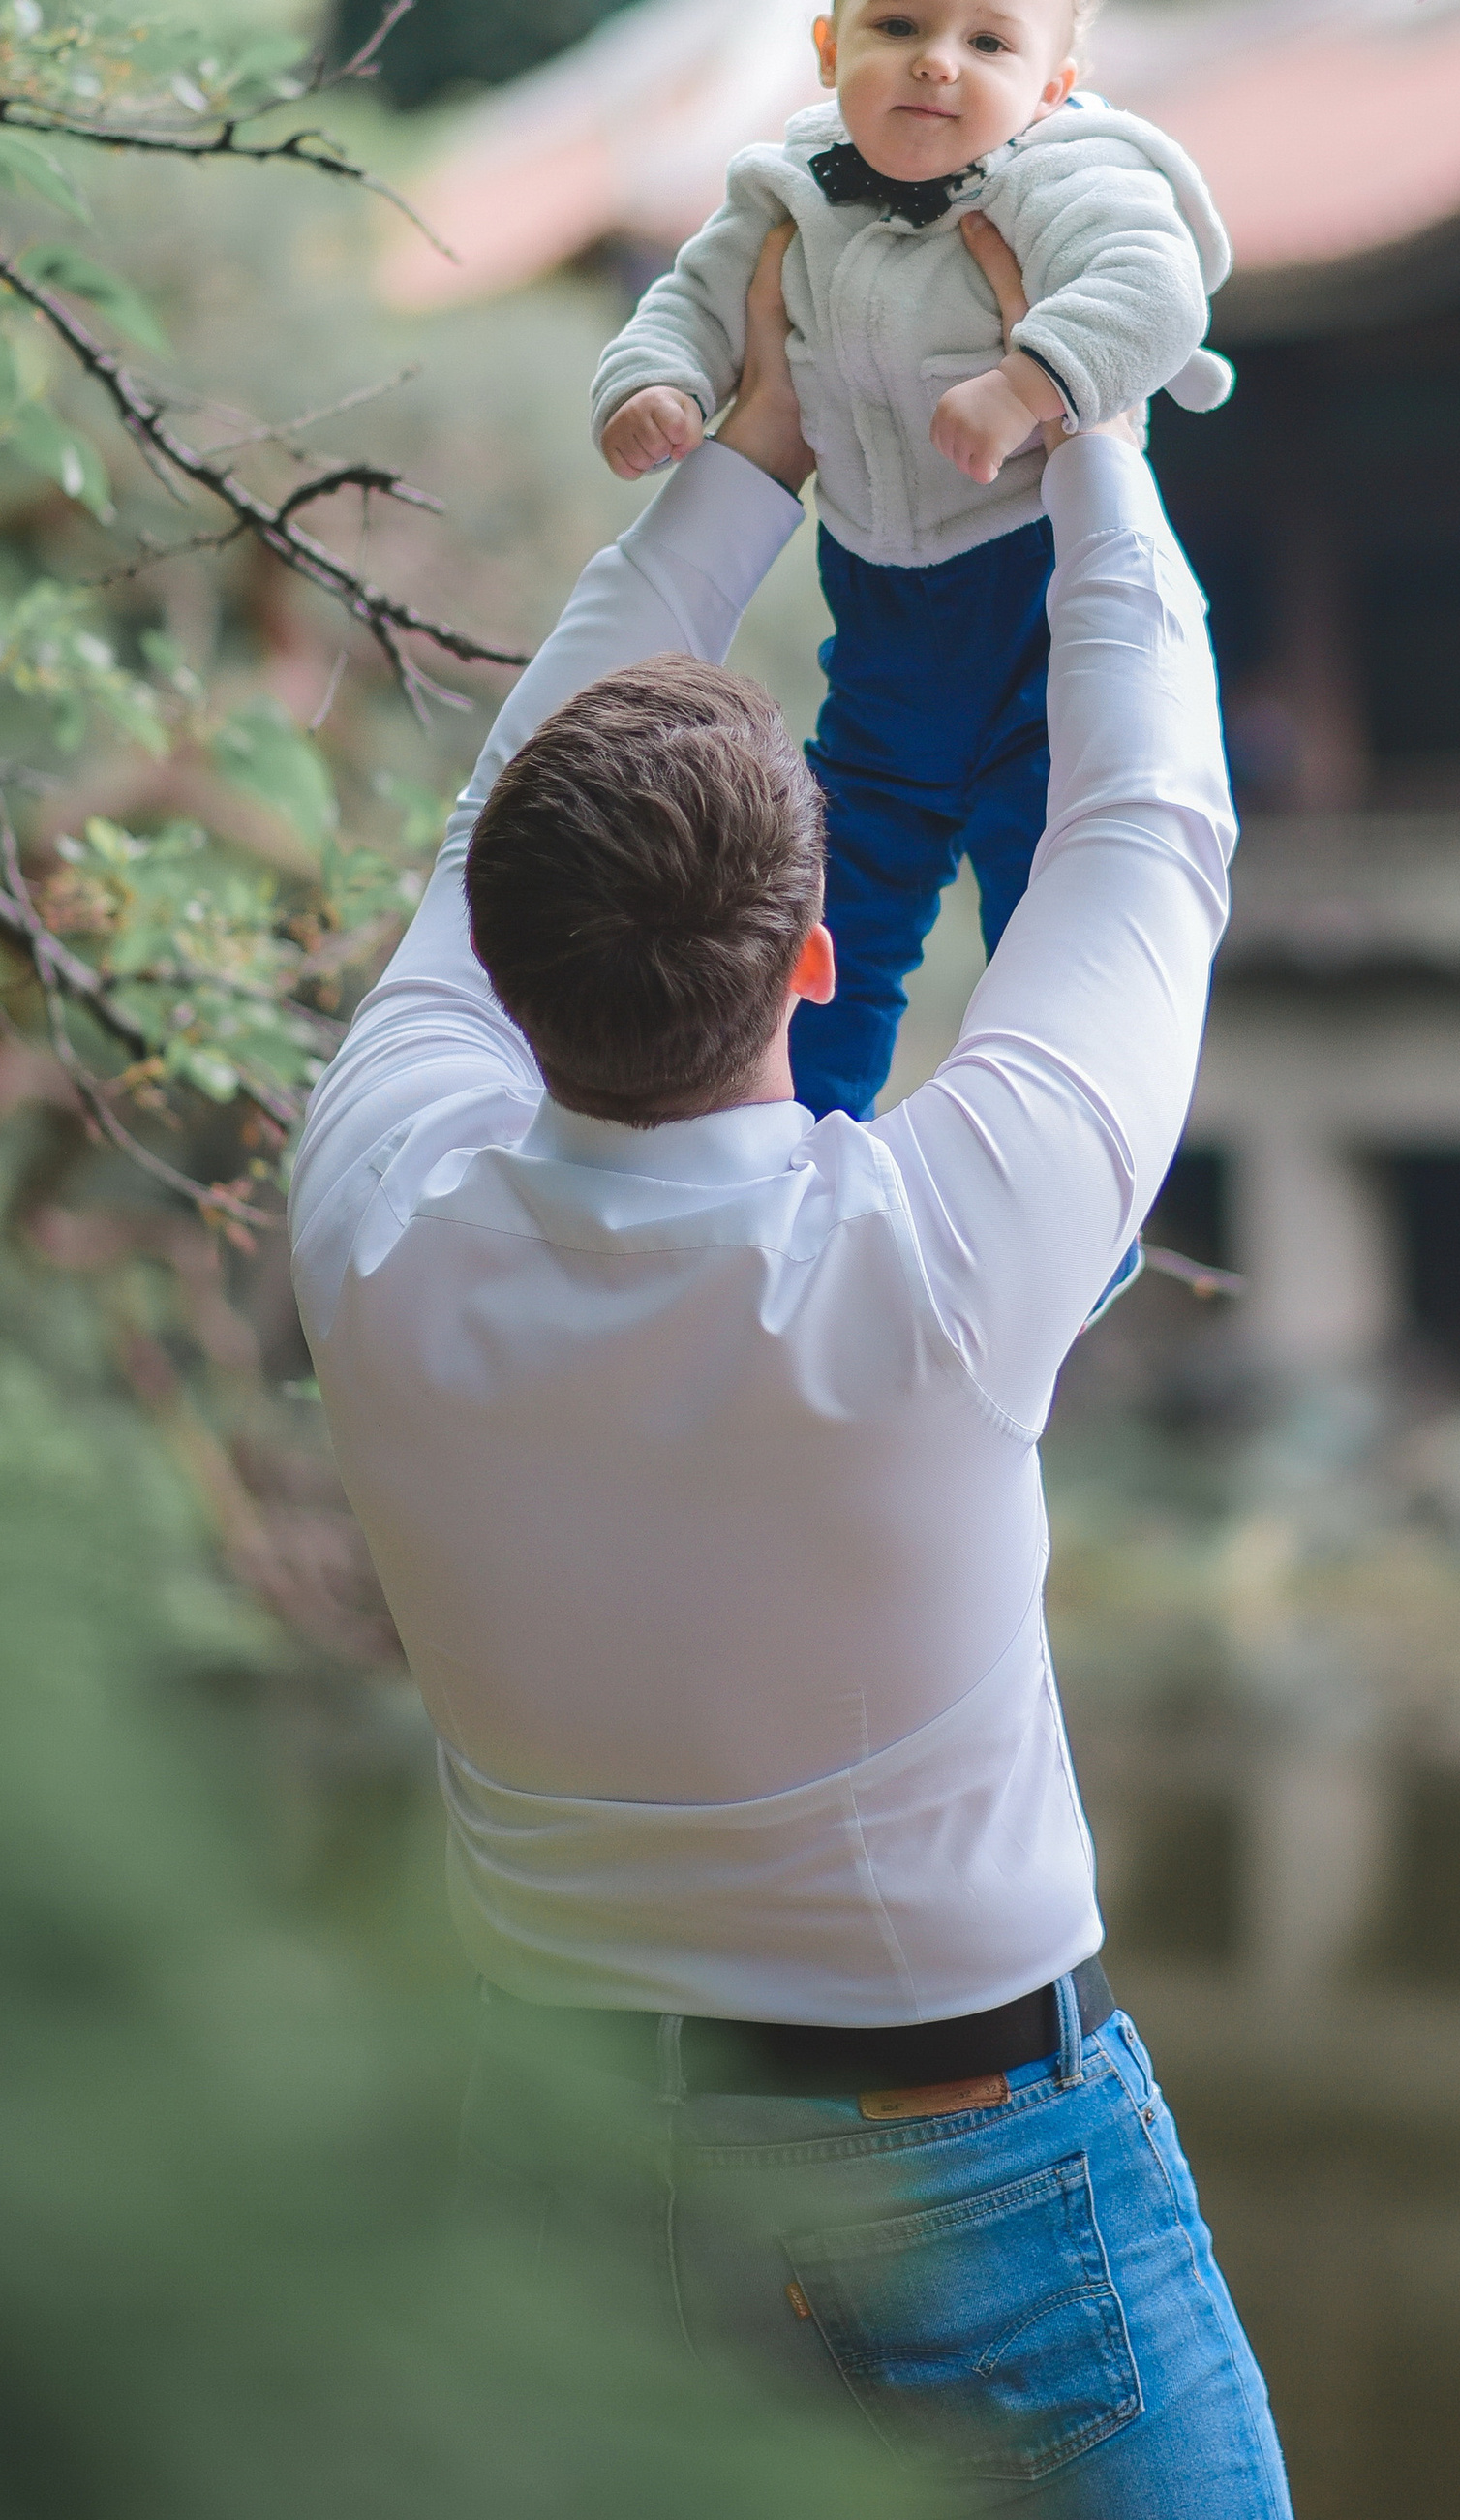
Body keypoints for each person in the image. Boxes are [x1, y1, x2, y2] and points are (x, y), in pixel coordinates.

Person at [289, 229, 1292, 2514]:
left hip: (558, 2174)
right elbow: (1138, 828)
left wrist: (743, 453)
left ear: (513, 978)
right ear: (822, 960)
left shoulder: (374, 1218)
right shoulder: (926, 1260)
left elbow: (492, 836)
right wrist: (1087, 413)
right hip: (981, 2179)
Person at [587, 0, 1232, 1125]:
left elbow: (1157, 292)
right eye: (899, 24)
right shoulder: (791, 185)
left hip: (1038, 618)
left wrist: (1028, 381)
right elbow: (700, 296)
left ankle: (1067, 1199)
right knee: (837, 902)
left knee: (1046, 908)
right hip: (880, 623)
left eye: (988, 43)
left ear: (1052, 83)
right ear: (828, 49)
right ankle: (794, 1134)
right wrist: (650, 384)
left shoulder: (1064, 174)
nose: (939, 59)